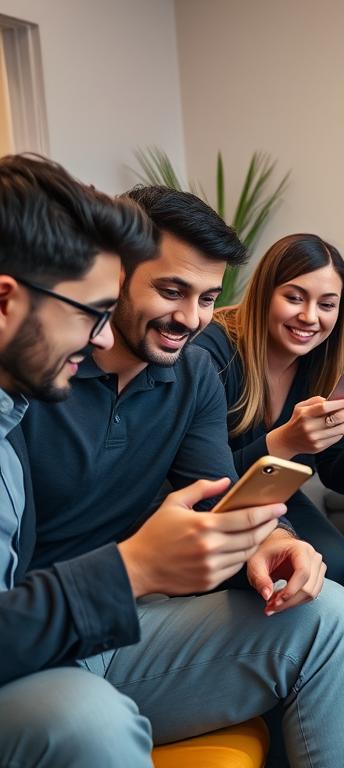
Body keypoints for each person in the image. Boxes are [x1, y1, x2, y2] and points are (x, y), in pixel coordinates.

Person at [22, 185, 344, 767]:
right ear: (115, 275)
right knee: (92, 722)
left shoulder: (193, 371)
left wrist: (276, 542)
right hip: (40, 640)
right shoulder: (34, 374)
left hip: (132, 627)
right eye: (171, 290)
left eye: (207, 298)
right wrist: (137, 567)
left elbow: (227, 493)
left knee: (331, 612)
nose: (192, 319)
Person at [0, 154, 163, 767]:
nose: (102, 340)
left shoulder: (12, 414)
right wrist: (133, 569)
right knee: (86, 719)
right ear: (5, 302)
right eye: (91, 313)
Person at [195, 233, 344, 585]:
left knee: (338, 564)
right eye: (294, 298)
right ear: (264, 293)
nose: (309, 317)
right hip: (209, 506)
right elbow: (205, 481)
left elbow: (338, 479)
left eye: (327, 304)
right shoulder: (211, 353)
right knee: (282, 574)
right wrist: (286, 442)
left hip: (276, 496)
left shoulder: (328, 362)